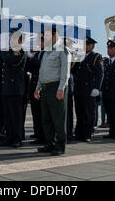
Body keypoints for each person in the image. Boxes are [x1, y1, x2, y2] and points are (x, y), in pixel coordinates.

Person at [35, 27, 71, 156]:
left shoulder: (63, 50)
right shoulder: (46, 52)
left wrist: (61, 88)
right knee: (46, 118)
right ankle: (49, 143)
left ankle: (60, 145)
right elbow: (42, 71)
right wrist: (37, 87)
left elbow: (65, 72)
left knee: (58, 119)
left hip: (56, 87)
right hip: (45, 87)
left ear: (55, 37)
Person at [0, 29, 27, 148]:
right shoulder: (10, 51)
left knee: (16, 116)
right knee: (8, 115)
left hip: (15, 89)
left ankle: (17, 138)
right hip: (7, 88)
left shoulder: (20, 52)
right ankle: (9, 137)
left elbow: (12, 61)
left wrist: (3, 52)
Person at [72, 37, 104, 142]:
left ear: (92, 46)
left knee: (89, 113)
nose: (85, 46)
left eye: (87, 45)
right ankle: (79, 133)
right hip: (79, 89)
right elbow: (74, 70)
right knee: (79, 112)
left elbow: (100, 73)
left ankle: (87, 134)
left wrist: (97, 88)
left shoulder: (96, 57)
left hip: (89, 89)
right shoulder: (79, 56)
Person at [26, 38, 45, 145]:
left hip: (41, 86)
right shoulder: (37, 54)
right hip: (34, 85)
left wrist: (32, 58)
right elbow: (29, 69)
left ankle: (44, 135)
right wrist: (28, 59)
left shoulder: (45, 53)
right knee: (36, 113)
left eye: (40, 42)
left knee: (42, 113)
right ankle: (38, 134)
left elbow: (41, 65)